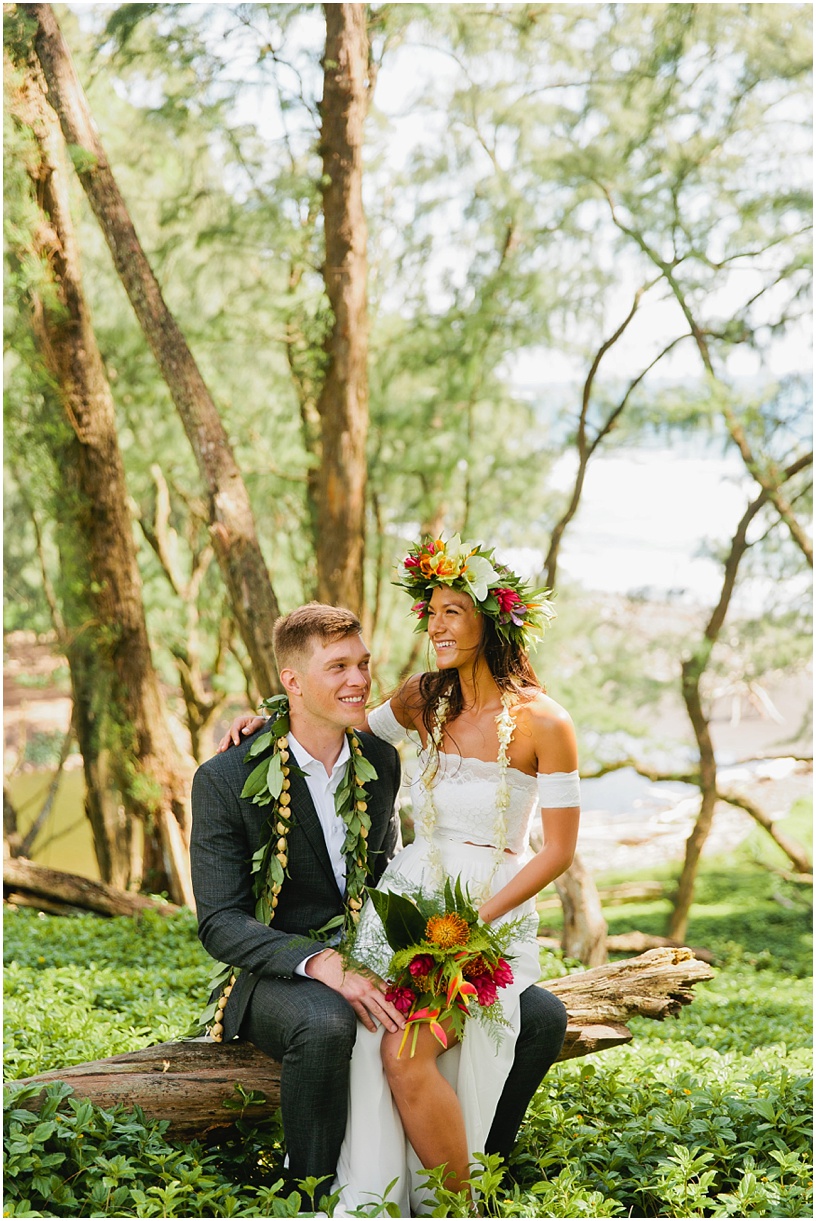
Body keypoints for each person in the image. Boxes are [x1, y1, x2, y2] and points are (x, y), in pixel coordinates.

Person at [216, 537, 579, 1213]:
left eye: (453, 611)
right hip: (408, 900)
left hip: (484, 914)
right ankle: (380, 1195)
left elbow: (557, 851)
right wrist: (268, 720)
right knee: (371, 1034)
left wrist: (476, 925)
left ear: (494, 619)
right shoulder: (422, 698)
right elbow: (340, 720)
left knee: (407, 1055)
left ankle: (459, 1203)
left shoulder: (547, 722)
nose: (436, 626)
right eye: (431, 612)